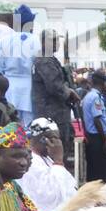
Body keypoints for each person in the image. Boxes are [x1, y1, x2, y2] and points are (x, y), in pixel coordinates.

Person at [32, 31, 77, 162]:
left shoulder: (48, 58)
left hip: (53, 112)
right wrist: (69, 92)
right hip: (52, 113)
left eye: (57, 40)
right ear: (44, 42)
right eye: (53, 40)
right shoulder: (45, 60)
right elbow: (54, 86)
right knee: (56, 150)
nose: (57, 43)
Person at [0, 6, 38, 125]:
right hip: (30, 89)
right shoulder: (37, 41)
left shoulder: (4, 41)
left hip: (9, 89)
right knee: (29, 128)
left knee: (9, 128)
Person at [23, 119, 79, 211]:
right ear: (44, 140)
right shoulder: (32, 161)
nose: (59, 143)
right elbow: (51, 197)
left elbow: (69, 186)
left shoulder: (45, 157)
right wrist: (58, 160)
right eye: (55, 138)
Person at [81, 71, 106, 182]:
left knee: (94, 168)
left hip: (92, 136)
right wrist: (105, 140)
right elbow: (97, 120)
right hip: (98, 137)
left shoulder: (88, 96)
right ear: (104, 83)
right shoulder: (96, 97)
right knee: (103, 168)